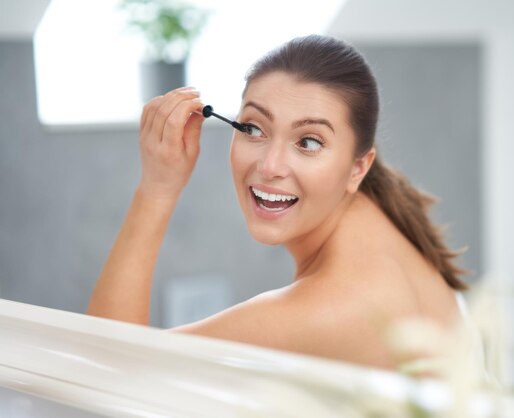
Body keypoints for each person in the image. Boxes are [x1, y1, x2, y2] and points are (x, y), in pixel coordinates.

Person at [87, 34, 468, 371]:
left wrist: (157, 188)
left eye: (309, 142)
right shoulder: (379, 215)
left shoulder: (329, 308)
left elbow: (105, 371)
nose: (270, 167)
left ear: (358, 167)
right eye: (253, 128)